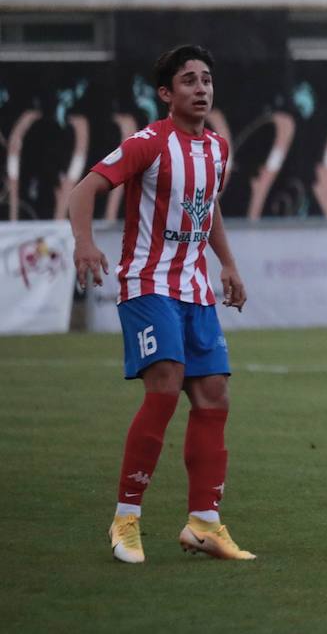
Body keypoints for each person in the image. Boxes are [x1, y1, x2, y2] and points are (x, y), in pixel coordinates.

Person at [67, 45, 255, 564]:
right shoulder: (148, 142)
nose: (201, 88)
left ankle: (204, 524)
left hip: (194, 290)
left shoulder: (216, 148)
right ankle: (126, 518)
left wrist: (228, 263)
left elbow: (206, 207)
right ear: (167, 94)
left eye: (206, 79)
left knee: (214, 396)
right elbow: (83, 191)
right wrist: (84, 243)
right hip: (147, 284)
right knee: (167, 385)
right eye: (189, 80)